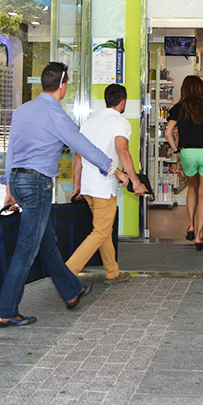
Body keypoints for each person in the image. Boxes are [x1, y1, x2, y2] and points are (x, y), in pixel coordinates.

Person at [0, 61, 129, 328]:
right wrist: (115, 170)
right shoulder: (56, 114)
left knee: (46, 242)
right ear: (63, 86)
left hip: (20, 181)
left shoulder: (23, 110)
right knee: (26, 248)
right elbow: (83, 147)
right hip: (37, 184)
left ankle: (70, 291)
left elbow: (11, 150)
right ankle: (5, 310)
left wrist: (9, 187)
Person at [66, 83, 146, 282]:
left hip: (88, 186)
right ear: (123, 102)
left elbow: (78, 158)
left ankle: (112, 272)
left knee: (104, 230)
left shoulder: (89, 122)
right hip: (103, 187)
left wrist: (77, 184)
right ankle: (67, 272)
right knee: (100, 231)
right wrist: (135, 181)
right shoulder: (121, 123)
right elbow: (123, 152)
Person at [165, 75, 203, 250]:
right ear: (201, 89)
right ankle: (199, 236)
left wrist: (176, 150)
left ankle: (190, 225)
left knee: (192, 188)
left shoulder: (178, 108)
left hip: (187, 153)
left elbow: (168, 133)